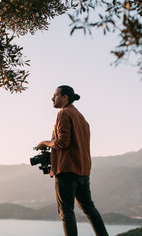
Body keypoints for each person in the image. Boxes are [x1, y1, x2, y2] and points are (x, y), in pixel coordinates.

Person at [36, 85, 108, 236]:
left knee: (66, 213)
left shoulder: (64, 113)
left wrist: (44, 143)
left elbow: (62, 142)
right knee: (89, 208)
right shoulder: (81, 117)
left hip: (66, 170)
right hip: (83, 170)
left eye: (55, 96)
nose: (52, 98)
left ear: (65, 97)